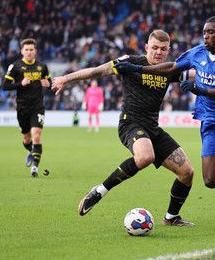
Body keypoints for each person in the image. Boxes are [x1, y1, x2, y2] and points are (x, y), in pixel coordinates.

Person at [114, 16, 215, 233]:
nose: (205, 36)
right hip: (209, 121)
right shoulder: (197, 53)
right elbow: (170, 68)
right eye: (204, 32)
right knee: (210, 180)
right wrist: (136, 69)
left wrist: (202, 90)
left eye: (211, 32)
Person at [52, 30, 196, 226]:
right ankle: (99, 191)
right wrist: (66, 79)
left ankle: (171, 218)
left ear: (168, 50)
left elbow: (199, 73)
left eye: (163, 49)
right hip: (131, 123)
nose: (158, 52)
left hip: (153, 128)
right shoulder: (131, 62)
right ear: (146, 47)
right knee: (145, 157)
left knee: (187, 172)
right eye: (154, 48)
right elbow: (98, 70)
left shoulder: (168, 69)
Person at [2, 38, 51, 177]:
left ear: (35, 51)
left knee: (36, 136)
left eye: (31, 50)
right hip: (22, 107)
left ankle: (34, 168)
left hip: (38, 106)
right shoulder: (15, 66)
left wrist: (48, 84)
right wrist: (20, 84)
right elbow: (5, 86)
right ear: (22, 51)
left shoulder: (42, 66)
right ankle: (30, 151)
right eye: (26, 50)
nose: (29, 52)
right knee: (26, 139)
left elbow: (50, 82)